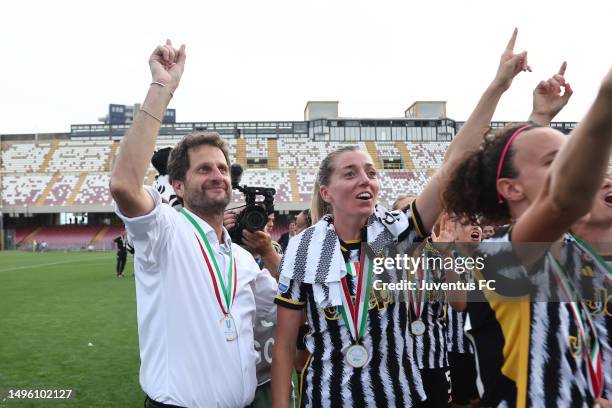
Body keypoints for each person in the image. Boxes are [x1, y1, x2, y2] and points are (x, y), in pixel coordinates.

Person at [272, 29, 534, 408]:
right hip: (327, 399)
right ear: (326, 193)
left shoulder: (394, 232)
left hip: (399, 398)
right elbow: (284, 346)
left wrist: (497, 86)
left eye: (371, 172)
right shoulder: (304, 247)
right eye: (350, 173)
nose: (365, 179)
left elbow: (453, 166)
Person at [442, 61, 612, 406]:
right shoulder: (500, 255)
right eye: (557, 162)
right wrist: (606, 99)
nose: (575, 171)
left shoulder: (577, 255)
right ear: (511, 188)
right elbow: (560, 199)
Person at [110, 40, 263, 408]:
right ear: (177, 184)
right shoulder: (165, 231)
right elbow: (125, 187)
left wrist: (268, 252)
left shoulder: (242, 260)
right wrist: (162, 87)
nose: (218, 176)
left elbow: (288, 310)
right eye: (204, 169)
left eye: (223, 169)